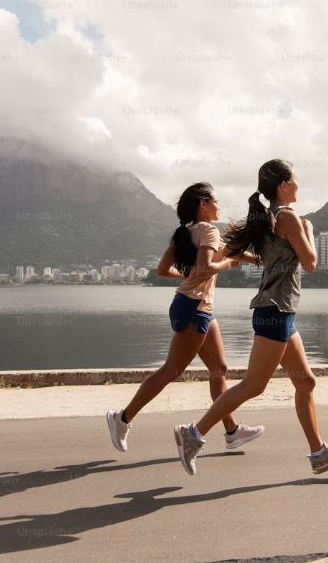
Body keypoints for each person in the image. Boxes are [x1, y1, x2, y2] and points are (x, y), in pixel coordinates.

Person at [173, 160, 328, 476]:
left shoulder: (265, 218)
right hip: (275, 311)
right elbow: (311, 263)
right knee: (254, 384)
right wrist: (310, 231)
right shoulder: (287, 216)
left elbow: (227, 252)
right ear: (283, 186)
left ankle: (318, 453)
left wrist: (255, 260)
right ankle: (193, 435)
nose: (299, 185)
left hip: (279, 310)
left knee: (306, 381)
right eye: (295, 180)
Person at [107, 182, 264, 452]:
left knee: (219, 369)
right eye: (215, 201)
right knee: (172, 370)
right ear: (203, 204)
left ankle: (232, 431)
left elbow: (163, 270)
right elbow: (208, 266)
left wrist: (265, 260)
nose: (219, 205)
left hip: (195, 305)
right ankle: (121, 419)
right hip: (195, 307)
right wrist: (224, 266)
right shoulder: (209, 231)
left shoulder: (186, 232)